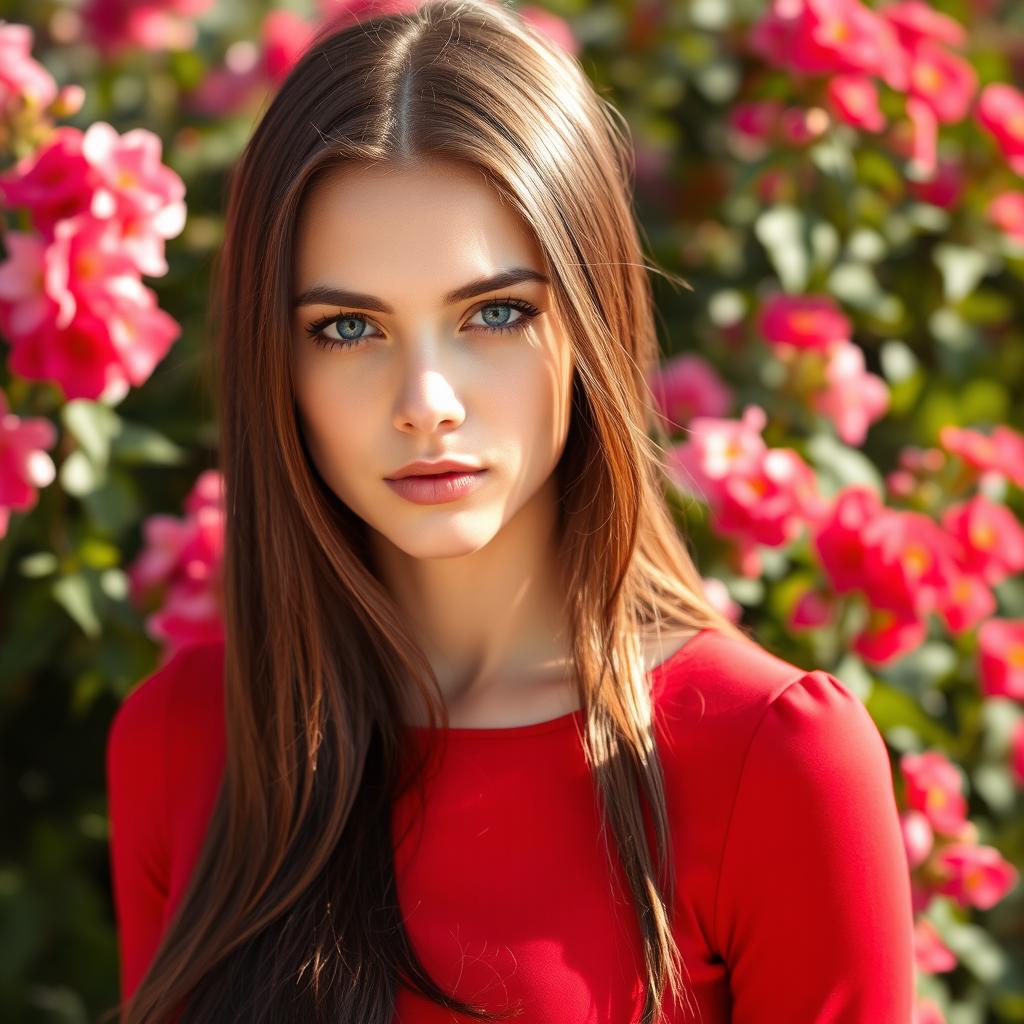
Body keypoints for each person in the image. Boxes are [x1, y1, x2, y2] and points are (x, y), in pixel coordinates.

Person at [103, 1, 916, 1021]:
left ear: (590, 321)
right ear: (278, 362)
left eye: (494, 312)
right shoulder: (185, 741)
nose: (424, 401)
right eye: (349, 327)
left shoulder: (772, 760)